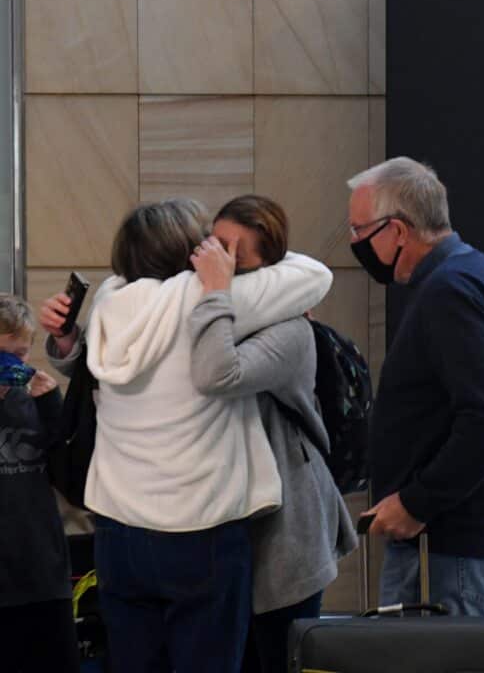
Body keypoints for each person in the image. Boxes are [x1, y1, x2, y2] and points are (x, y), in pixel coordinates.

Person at [40, 199, 332, 673]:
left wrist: (68, 339)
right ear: (191, 250)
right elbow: (314, 275)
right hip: (202, 533)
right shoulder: (211, 297)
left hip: (117, 531)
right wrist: (224, 265)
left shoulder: (111, 301)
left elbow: (90, 365)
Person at [347, 157, 484, 616]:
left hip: (451, 550)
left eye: (358, 230)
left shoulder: (450, 291)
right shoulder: (471, 272)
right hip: (457, 542)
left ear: (397, 230)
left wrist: (415, 503)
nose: (353, 243)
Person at [188, 195, 357, 673]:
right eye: (213, 243)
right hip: (227, 521)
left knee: (277, 656)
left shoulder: (289, 331)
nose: (217, 260)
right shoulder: (208, 308)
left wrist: (218, 293)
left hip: (285, 532)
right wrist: (68, 344)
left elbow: (218, 373)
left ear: (265, 270)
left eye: (233, 254)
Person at [0, 297, 77, 673]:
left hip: (42, 574)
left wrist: (52, 407)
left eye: (19, 356)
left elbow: (72, 482)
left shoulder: (32, 402)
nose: (11, 367)